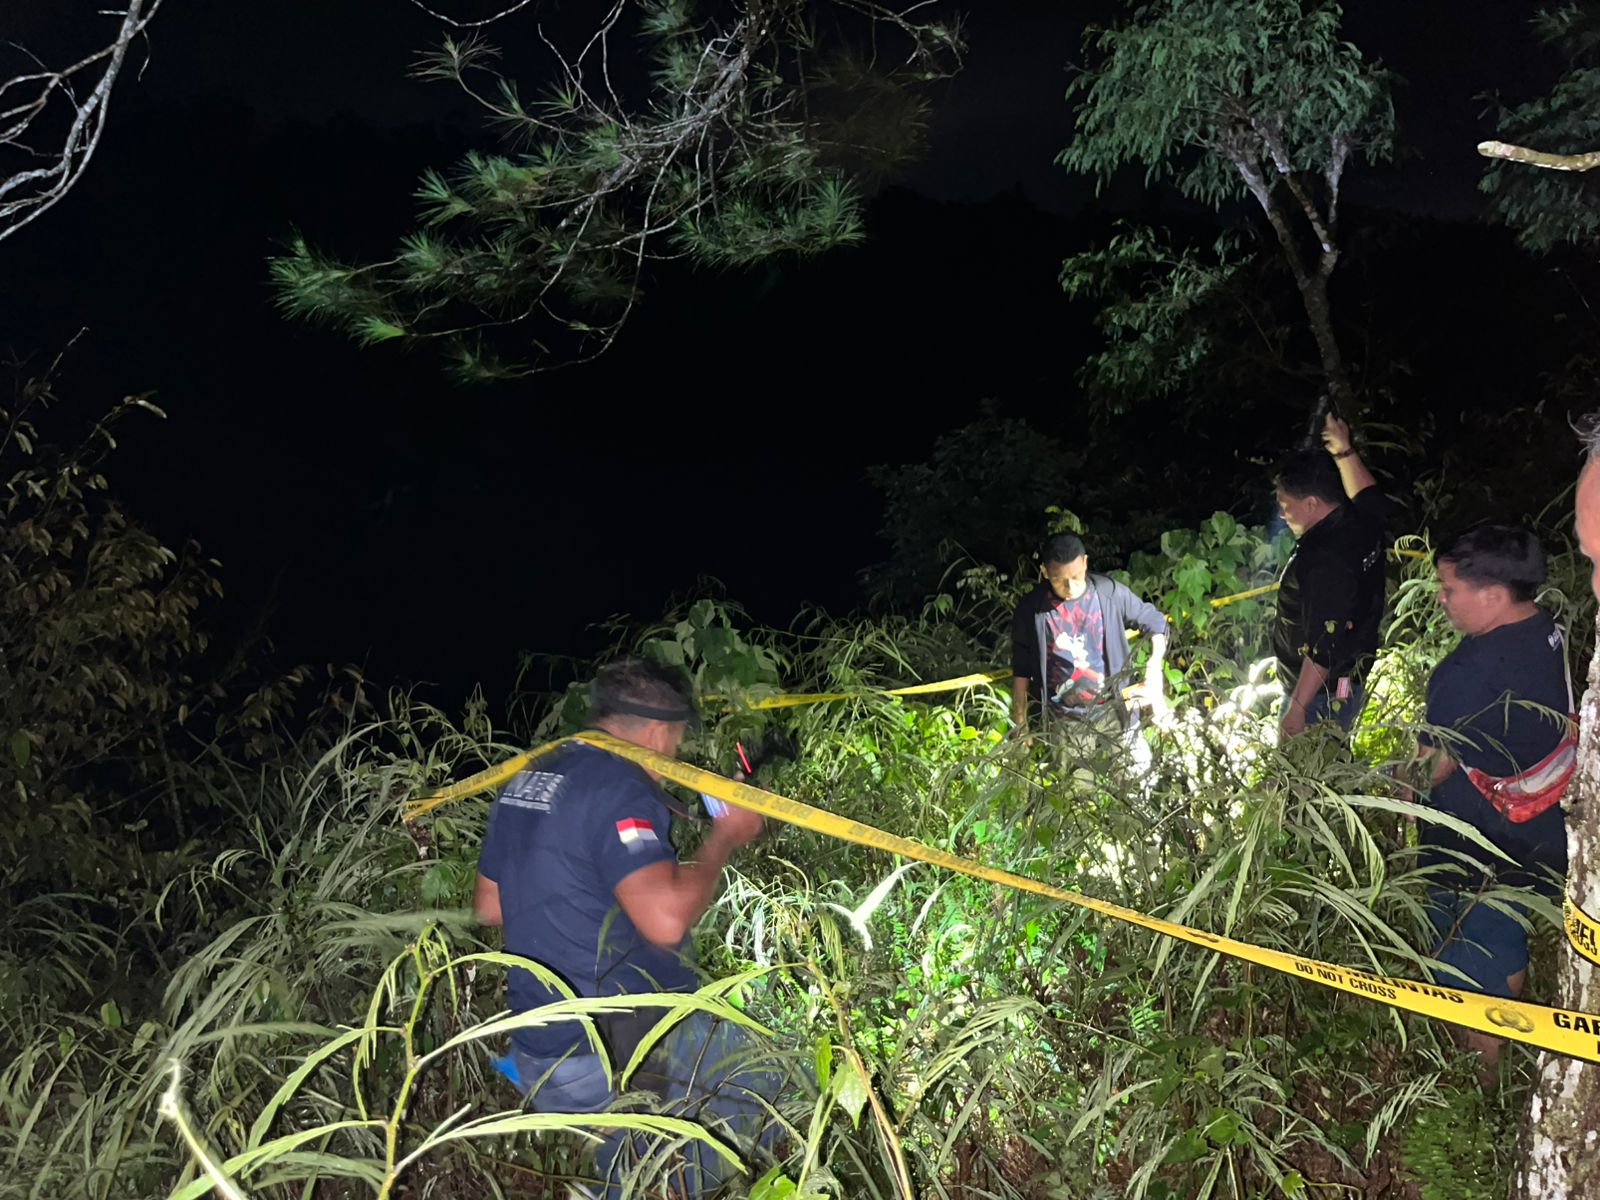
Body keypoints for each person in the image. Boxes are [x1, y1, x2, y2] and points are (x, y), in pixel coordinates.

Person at [474, 657, 777, 1197]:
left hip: (539, 1048)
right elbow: (665, 921)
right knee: (772, 1077)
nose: (673, 757)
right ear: (660, 732)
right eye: (678, 741)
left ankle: (613, 1175)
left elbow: (490, 906)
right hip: (614, 1052)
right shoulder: (621, 784)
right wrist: (724, 837)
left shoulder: (529, 776)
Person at [1411, 526, 1571, 1073]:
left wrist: (1381, 783)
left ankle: (1479, 1079)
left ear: (1494, 595)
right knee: (1506, 936)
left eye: (1449, 588)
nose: (1441, 598)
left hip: (1473, 838)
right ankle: (1497, 1066)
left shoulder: (1467, 673)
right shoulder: (1546, 628)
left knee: (1465, 950)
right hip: (1536, 821)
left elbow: (1432, 769)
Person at [1271, 414, 1386, 740]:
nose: (1281, 514)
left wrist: (1297, 709)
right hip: (1350, 678)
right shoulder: (1362, 518)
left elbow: (1323, 645)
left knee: (1308, 773)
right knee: (1334, 749)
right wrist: (1342, 450)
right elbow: (1368, 492)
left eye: (1285, 504)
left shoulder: (1323, 561)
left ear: (1310, 503)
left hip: (1319, 693)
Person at [1010, 532, 1171, 743]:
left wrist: (1154, 663)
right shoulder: (1032, 609)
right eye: (1060, 580)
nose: (1071, 588)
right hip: (1065, 724)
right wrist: (1020, 722)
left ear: (1085, 563)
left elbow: (1155, 622)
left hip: (1117, 713)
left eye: (1076, 577)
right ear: (1045, 572)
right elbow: (1021, 667)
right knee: (1076, 777)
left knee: (1136, 774)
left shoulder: (1109, 593)